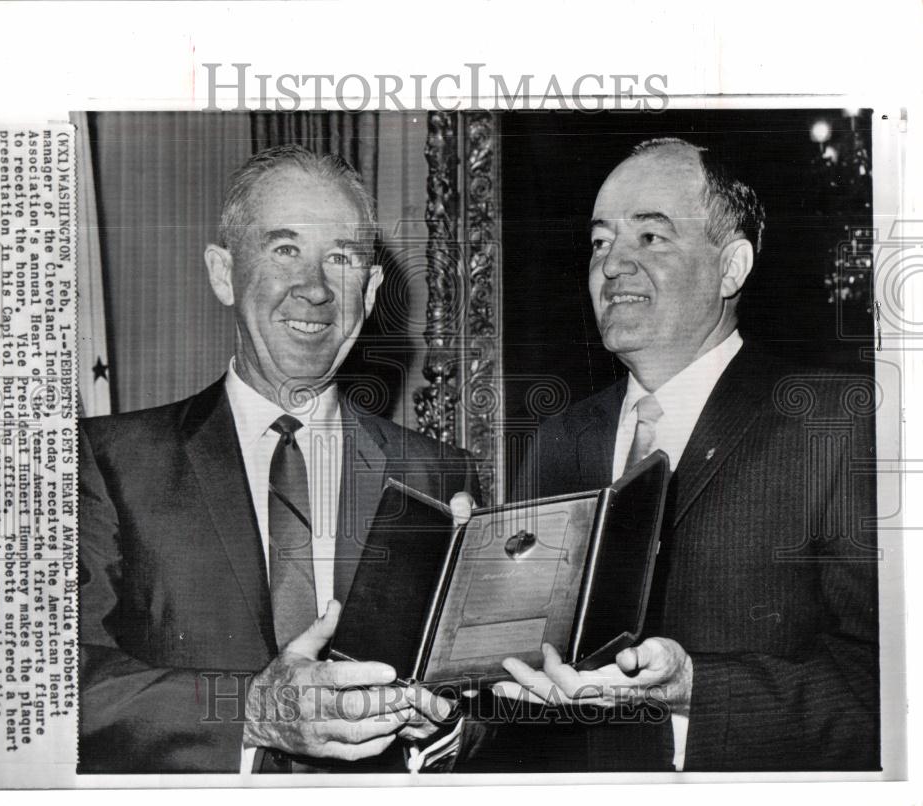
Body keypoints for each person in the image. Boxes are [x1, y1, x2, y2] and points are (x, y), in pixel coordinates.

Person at [78, 145, 481, 774]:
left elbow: (486, 711)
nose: (315, 289)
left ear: (371, 292)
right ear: (223, 272)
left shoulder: (437, 473)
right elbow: (56, 689)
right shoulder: (110, 461)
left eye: (341, 259)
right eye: (284, 249)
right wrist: (251, 711)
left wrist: (447, 726)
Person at [481, 138, 880, 772]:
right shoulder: (560, 439)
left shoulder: (836, 422)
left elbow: (885, 692)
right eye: (600, 242)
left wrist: (696, 690)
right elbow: (517, 688)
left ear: (732, 268)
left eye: (650, 238)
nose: (612, 266)